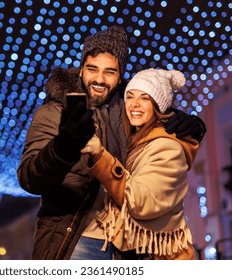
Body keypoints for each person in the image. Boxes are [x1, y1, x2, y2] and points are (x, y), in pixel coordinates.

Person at [17, 26, 206, 260]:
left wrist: (195, 124)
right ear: (81, 70)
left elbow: (161, 114)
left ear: (119, 77)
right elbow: (29, 178)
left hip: (128, 244)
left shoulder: (129, 108)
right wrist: (62, 147)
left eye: (109, 72)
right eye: (92, 69)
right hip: (77, 237)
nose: (99, 79)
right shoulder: (54, 112)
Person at [81, 68, 199, 260]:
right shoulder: (136, 141)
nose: (134, 104)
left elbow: (140, 202)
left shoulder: (167, 147)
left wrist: (101, 157)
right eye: (130, 96)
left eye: (145, 98)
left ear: (158, 106)